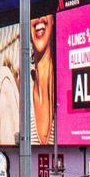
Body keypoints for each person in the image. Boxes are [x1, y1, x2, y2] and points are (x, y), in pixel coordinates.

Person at [29, 14, 55, 146]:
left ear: (53, 19)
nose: (39, 17)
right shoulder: (23, 90)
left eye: (45, 10)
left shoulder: (64, 79)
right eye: (33, 13)